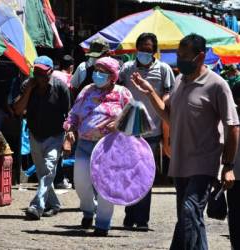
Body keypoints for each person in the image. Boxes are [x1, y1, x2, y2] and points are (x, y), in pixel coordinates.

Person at [130, 34, 239, 250]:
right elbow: (169, 116)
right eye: (178, 55)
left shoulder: (217, 85)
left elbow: (233, 126)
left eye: (184, 56)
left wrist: (227, 166)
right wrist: (150, 91)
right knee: (187, 219)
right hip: (180, 164)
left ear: (200, 57)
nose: (179, 60)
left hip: (204, 164)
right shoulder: (179, 81)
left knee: (190, 211)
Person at [63, 57, 133, 236]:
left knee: (105, 186)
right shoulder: (87, 90)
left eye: (102, 72)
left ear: (113, 76)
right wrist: (70, 130)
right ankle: (88, 209)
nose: (97, 74)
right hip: (85, 144)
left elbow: (134, 117)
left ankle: (102, 223)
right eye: (96, 70)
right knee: (80, 183)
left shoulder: (122, 93)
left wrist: (118, 123)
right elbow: (74, 114)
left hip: (109, 147)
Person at [119, 32, 175, 231]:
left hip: (152, 131)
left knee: (145, 175)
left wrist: (162, 102)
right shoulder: (126, 69)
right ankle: (129, 215)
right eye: (141, 48)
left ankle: (142, 219)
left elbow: (169, 95)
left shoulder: (164, 69)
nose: (144, 52)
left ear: (155, 51)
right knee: (128, 173)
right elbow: (118, 92)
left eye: (149, 49)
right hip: (127, 130)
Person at [13, 56, 71, 219]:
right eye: (36, 71)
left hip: (55, 135)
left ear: (50, 72)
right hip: (35, 134)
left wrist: (68, 139)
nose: (38, 76)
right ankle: (54, 204)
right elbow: (18, 110)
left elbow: (69, 115)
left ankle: (36, 206)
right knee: (43, 172)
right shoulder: (27, 85)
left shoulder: (60, 87)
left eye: (42, 72)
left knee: (48, 169)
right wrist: (29, 90)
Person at [227, 84, 240, 250]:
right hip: (234, 174)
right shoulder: (231, 115)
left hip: (233, 173)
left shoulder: (231, 114)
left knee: (235, 213)